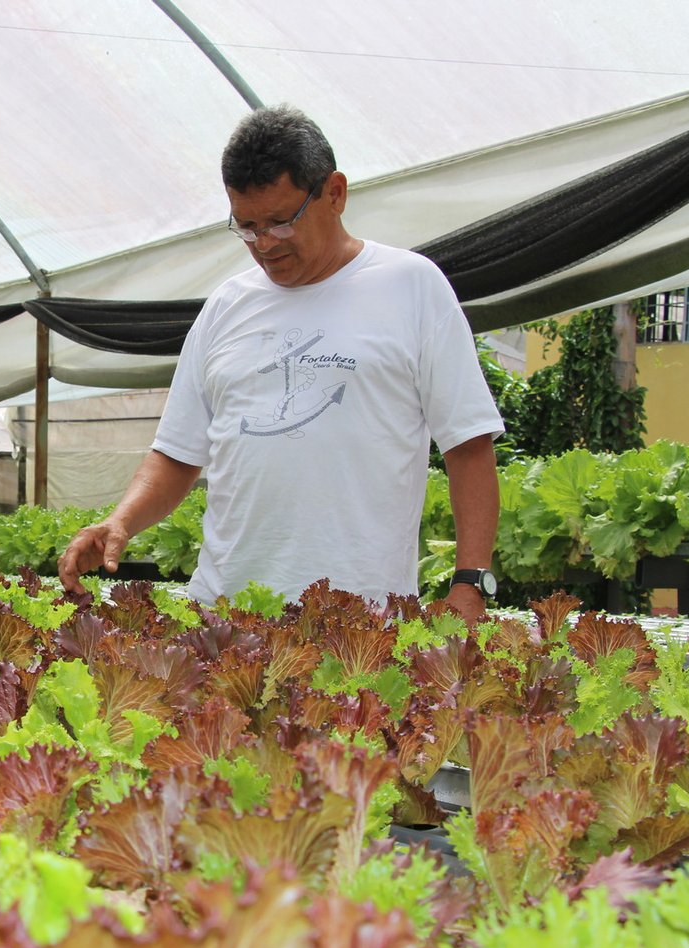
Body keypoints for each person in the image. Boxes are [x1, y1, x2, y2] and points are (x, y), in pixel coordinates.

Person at [59, 105, 503, 620]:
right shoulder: (226, 306)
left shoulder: (411, 286)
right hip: (225, 613)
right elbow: (177, 454)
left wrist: (470, 581)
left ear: (334, 193)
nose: (264, 244)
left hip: (357, 621)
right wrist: (121, 520)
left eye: (280, 222)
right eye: (247, 226)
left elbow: (468, 445)